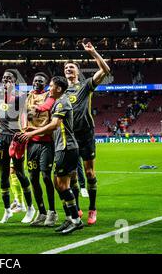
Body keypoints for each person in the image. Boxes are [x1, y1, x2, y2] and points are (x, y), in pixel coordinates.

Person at [20, 76, 84, 234]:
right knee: (60, 184)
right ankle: (70, 218)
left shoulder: (62, 102)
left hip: (66, 147)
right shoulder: (57, 102)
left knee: (61, 185)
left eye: (51, 86)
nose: (49, 89)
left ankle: (76, 220)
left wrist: (33, 132)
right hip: (63, 147)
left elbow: (54, 125)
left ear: (59, 89)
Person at [0, 58, 35, 224]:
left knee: (19, 172)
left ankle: (30, 208)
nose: (5, 80)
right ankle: (7, 210)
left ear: (15, 81)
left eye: (9, 78)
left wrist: (24, 132)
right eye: (4, 78)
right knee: (3, 175)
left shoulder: (21, 96)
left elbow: (23, 114)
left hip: (15, 137)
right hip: (1, 137)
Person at [64, 41, 111, 225]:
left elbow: (105, 70)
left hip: (86, 135)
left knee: (90, 173)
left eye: (71, 67)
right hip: (69, 136)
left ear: (77, 71)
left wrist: (93, 53)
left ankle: (92, 208)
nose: (68, 69)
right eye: (66, 67)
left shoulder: (85, 86)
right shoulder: (60, 90)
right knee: (73, 175)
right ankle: (76, 208)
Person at [21, 73, 58, 226]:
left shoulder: (50, 97)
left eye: (41, 81)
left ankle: (52, 212)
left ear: (45, 84)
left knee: (45, 176)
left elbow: (48, 114)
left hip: (46, 142)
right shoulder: (28, 97)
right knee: (33, 178)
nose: (37, 83)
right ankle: (41, 212)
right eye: (35, 80)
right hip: (32, 144)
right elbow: (23, 114)